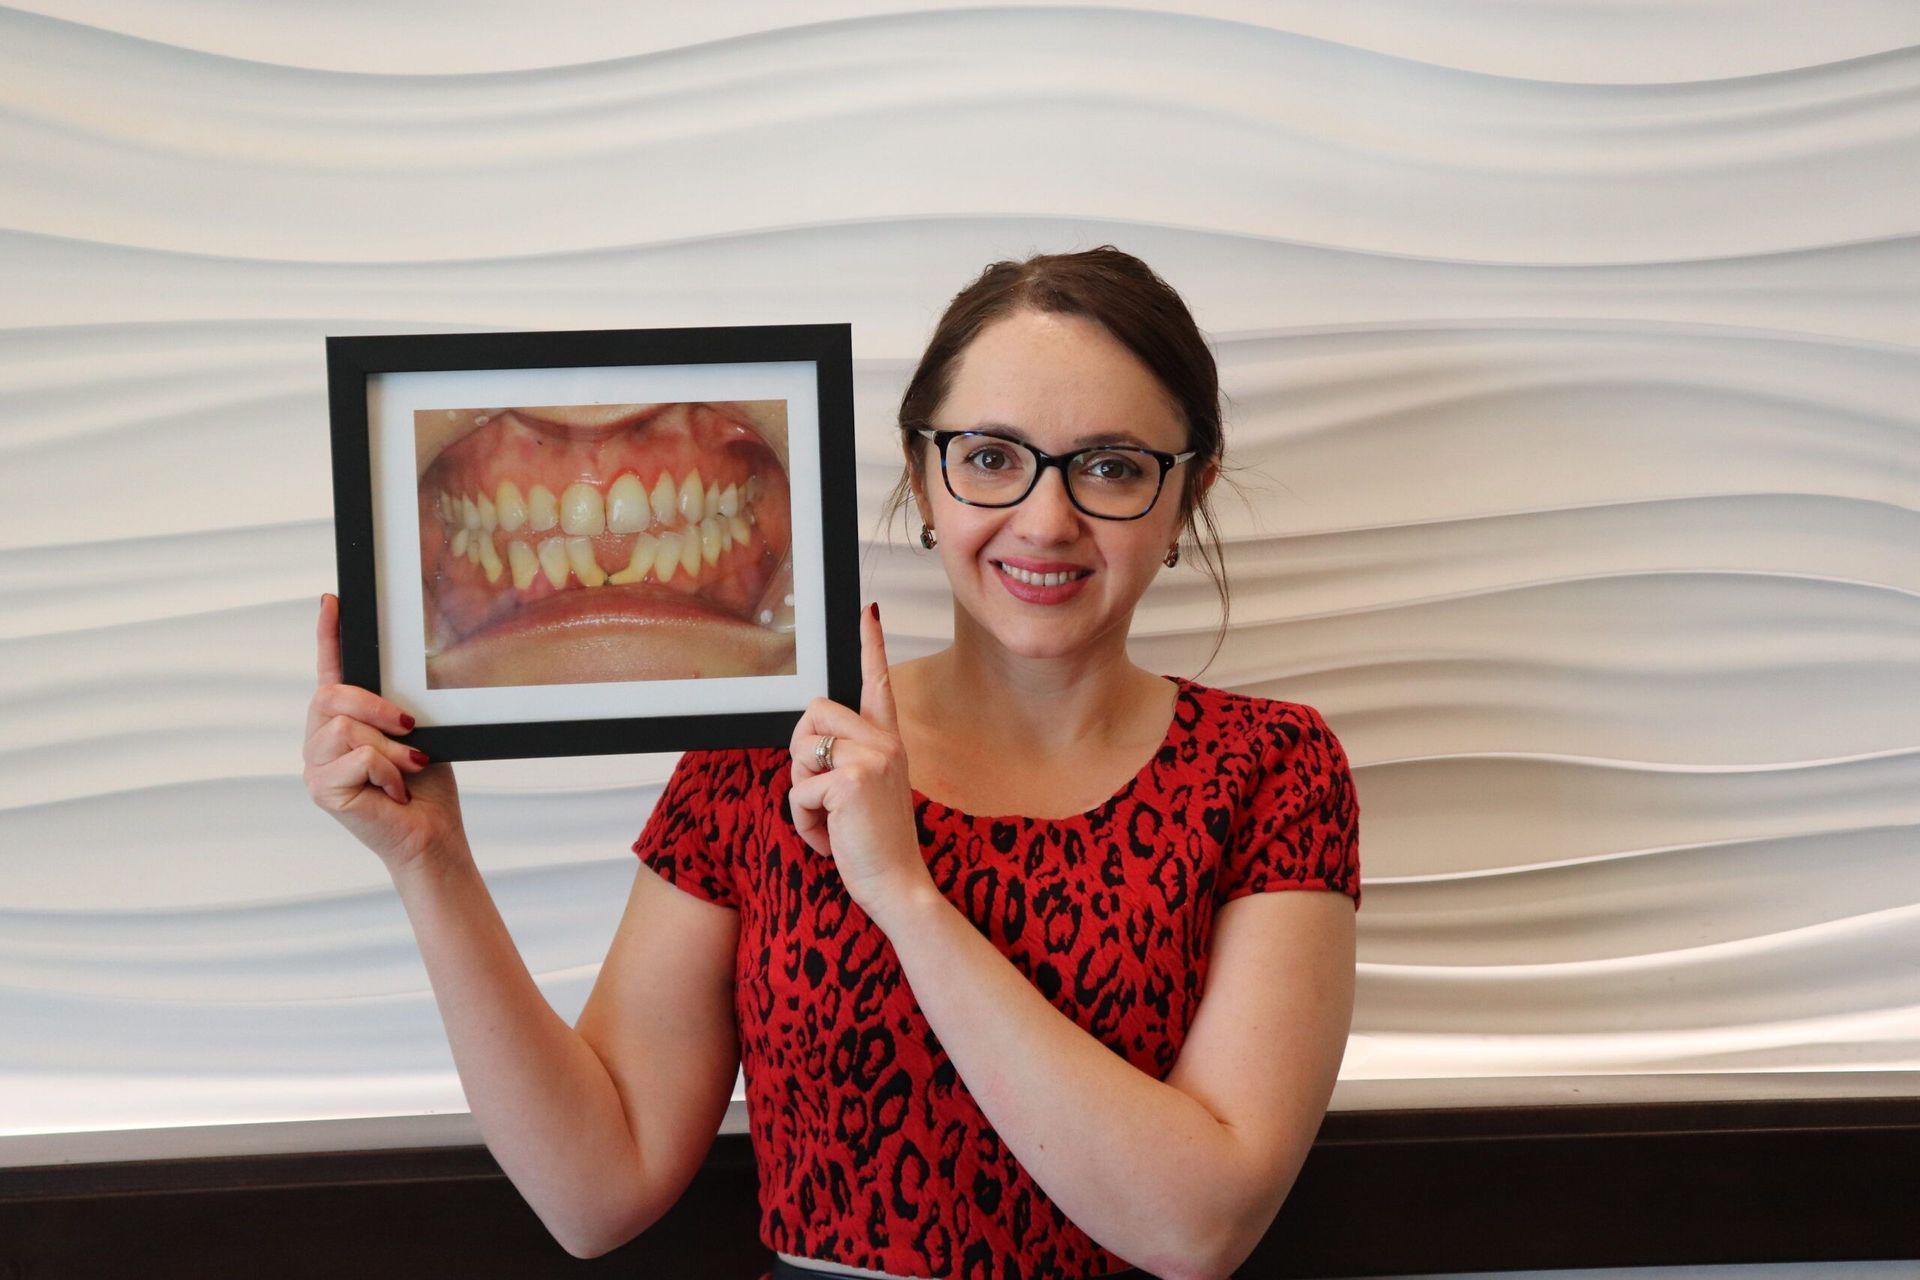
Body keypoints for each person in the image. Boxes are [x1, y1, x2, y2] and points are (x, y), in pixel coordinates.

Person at [304, 246, 1361, 1280]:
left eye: (1112, 467)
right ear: (922, 474)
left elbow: (1200, 1225)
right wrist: (431, 861)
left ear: (1189, 493)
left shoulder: (1270, 771)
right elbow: (597, 1189)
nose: (1046, 519)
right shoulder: (765, 754)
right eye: (991, 456)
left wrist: (904, 893)